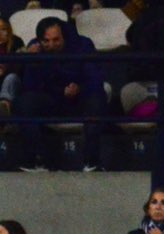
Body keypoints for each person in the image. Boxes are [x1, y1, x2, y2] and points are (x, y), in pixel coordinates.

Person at [17, 17, 105, 171]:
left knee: (96, 99)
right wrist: (32, 62)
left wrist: (79, 88)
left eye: (56, 40)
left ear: (64, 36)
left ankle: (92, 162)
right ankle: (37, 160)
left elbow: (95, 79)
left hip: (80, 100)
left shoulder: (83, 45)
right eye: (46, 41)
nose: (51, 45)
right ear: (40, 40)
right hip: (52, 100)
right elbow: (30, 87)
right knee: (25, 102)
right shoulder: (34, 48)